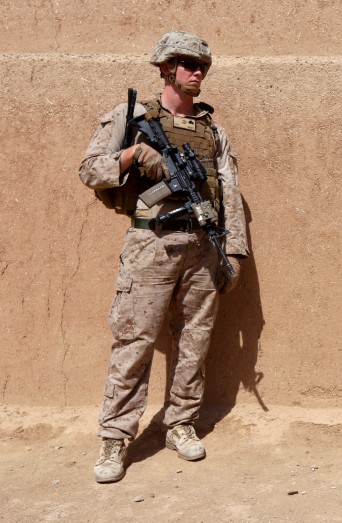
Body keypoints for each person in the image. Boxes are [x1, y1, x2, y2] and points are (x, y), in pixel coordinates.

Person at [78, 31, 250, 483]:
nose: (197, 72)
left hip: (202, 247)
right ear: (165, 67)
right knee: (134, 342)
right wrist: (136, 153)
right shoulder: (131, 116)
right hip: (149, 246)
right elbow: (89, 170)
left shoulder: (214, 131)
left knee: (194, 342)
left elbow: (229, 190)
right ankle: (115, 438)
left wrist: (234, 250)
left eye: (202, 66)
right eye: (188, 64)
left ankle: (180, 423)